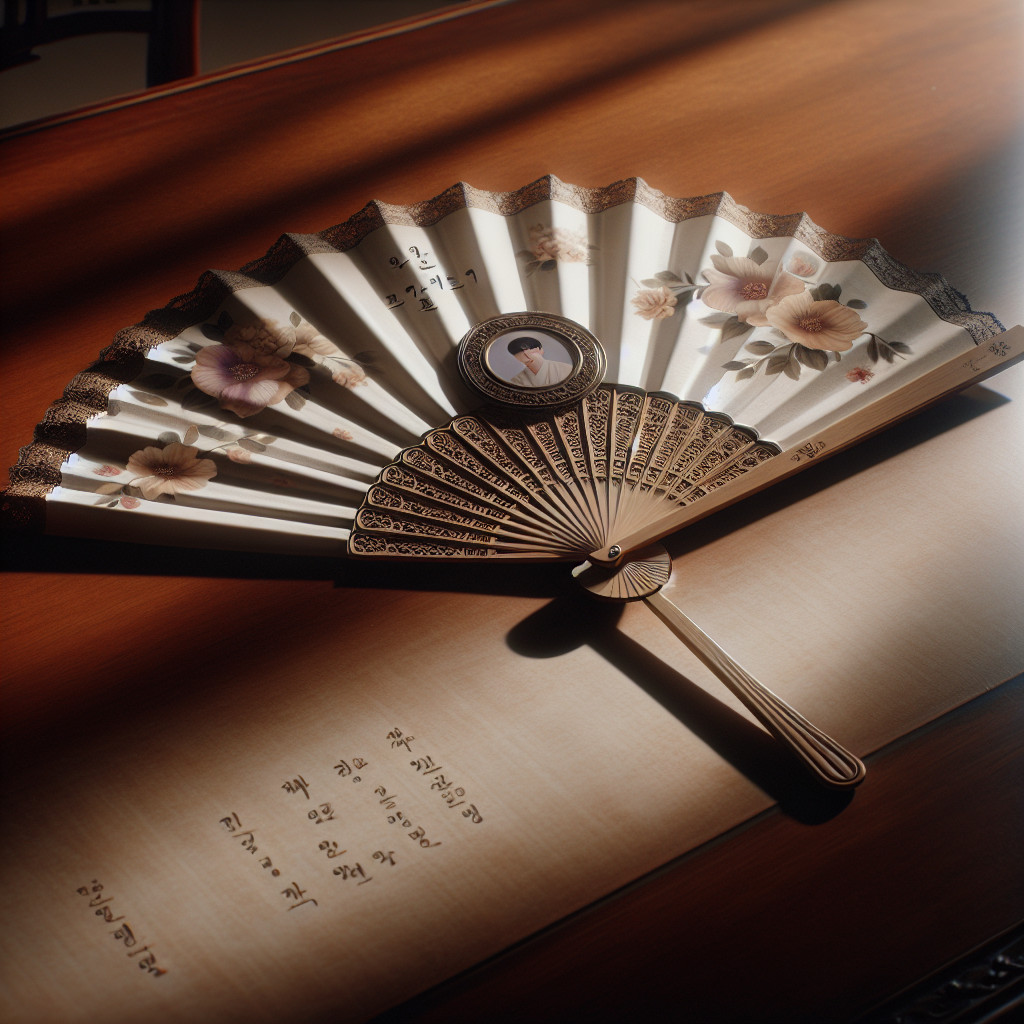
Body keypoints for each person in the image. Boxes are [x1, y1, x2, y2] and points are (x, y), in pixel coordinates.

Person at [505, 336, 572, 387]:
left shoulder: (566, 369)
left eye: (530, 352)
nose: (527, 357)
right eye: (521, 355)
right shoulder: (517, 380)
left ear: (541, 351)